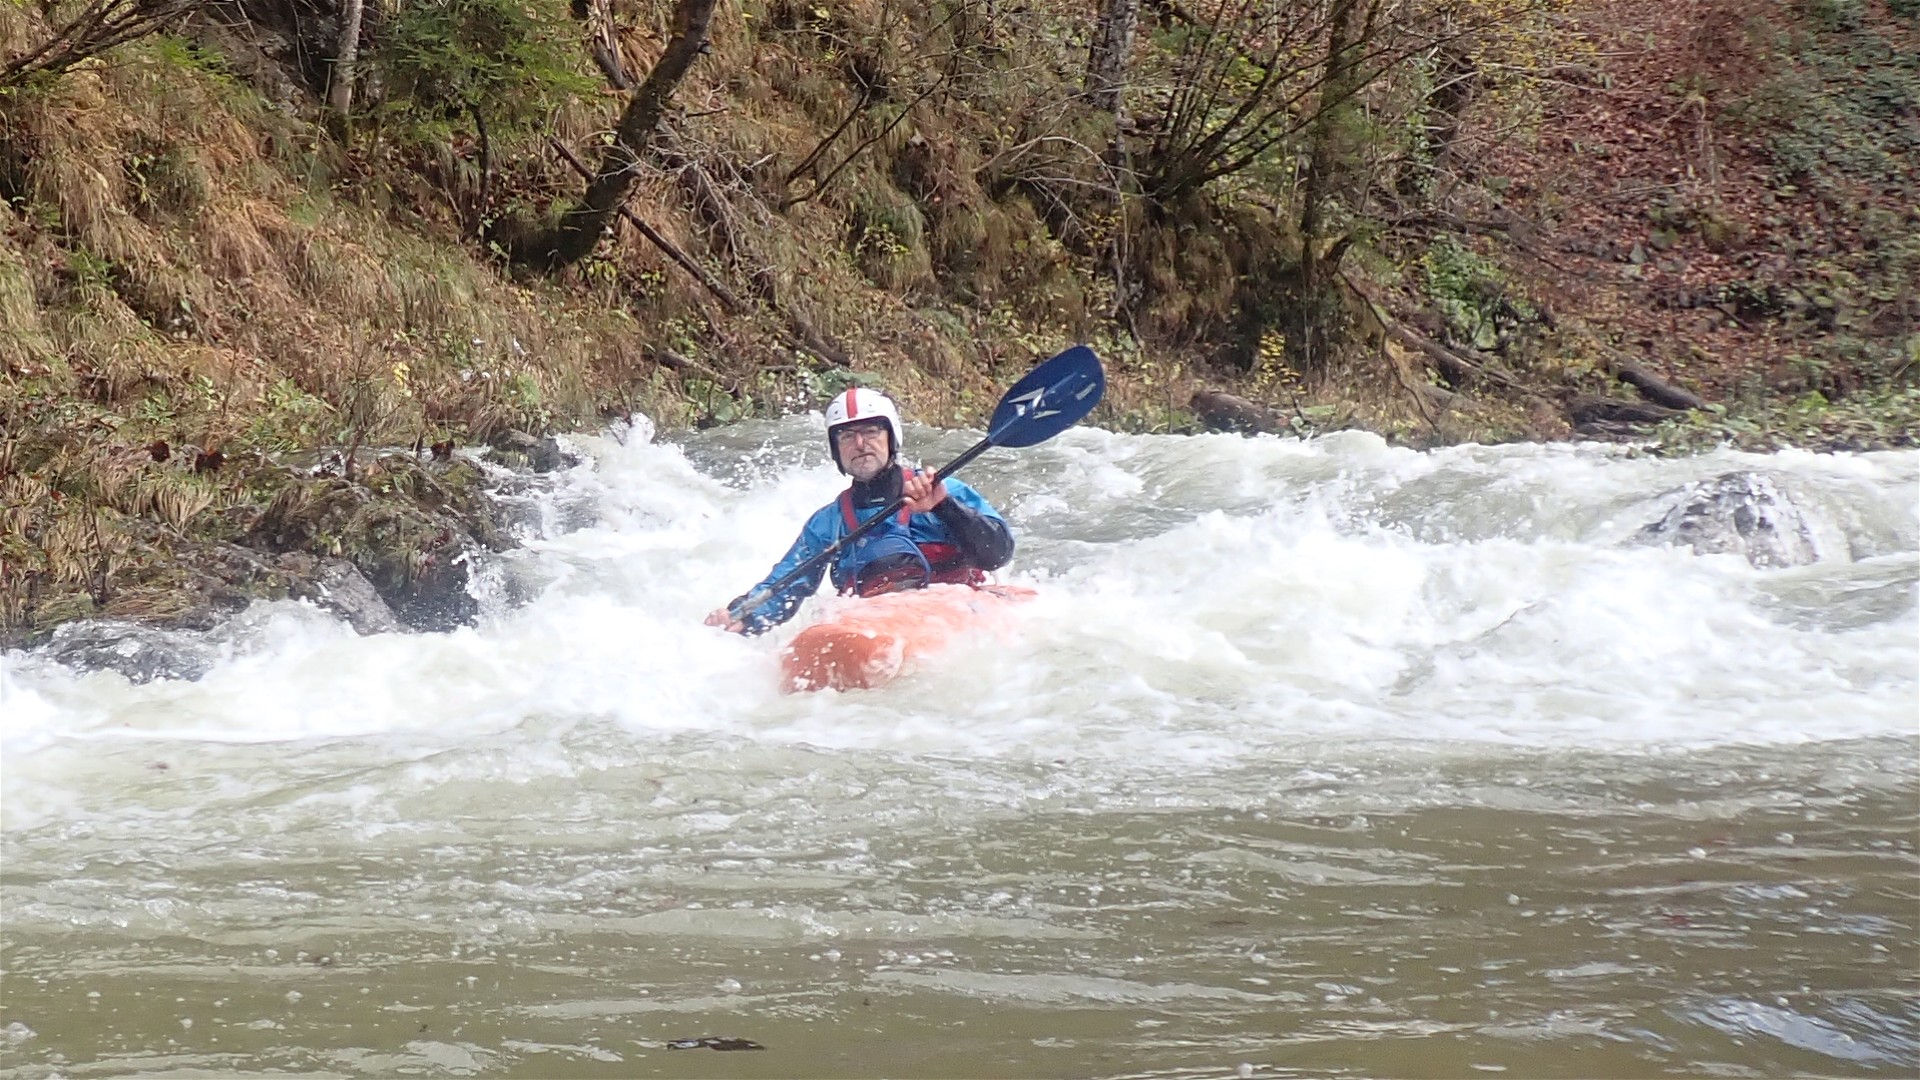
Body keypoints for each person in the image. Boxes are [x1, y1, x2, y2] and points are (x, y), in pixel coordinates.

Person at [705, 387, 1015, 634]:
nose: (859, 443)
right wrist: (745, 615)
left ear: (891, 438)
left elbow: (998, 553)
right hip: (875, 628)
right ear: (836, 450)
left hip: (955, 614)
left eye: (870, 431)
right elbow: (787, 582)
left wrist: (945, 507)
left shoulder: (942, 490)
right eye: (846, 436)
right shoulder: (829, 522)